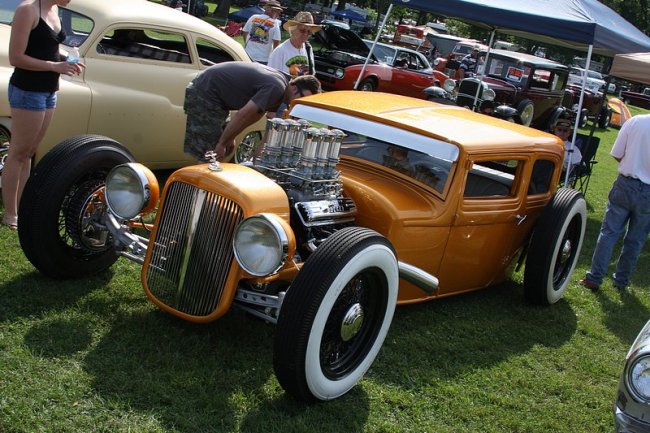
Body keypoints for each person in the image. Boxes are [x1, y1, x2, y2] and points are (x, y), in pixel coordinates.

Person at [1, 0, 83, 230]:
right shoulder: (27, 10)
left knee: (28, 153)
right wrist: (53, 66)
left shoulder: (54, 9)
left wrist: (65, 59)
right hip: (27, 90)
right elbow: (15, 58)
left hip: (48, 90)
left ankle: (22, 206)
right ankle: (10, 214)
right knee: (18, 152)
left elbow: (45, 46)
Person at [183, 61, 321, 162]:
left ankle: (209, 190)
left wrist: (230, 138)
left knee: (221, 149)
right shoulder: (277, 87)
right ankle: (199, 192)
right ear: (295, 88)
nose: (299, 104)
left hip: (216, 99)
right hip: (205, 92)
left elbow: (255, 116)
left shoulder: (281, 89)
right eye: (302, 99)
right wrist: (222, 142)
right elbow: (244, 114)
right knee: (212, 152)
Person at [579, 114, 650, 292]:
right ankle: (621, 281)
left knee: (609, 233)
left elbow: (617, 154)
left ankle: (594, 278)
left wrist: (632, 163)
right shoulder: (636, 121)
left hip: (626, 183)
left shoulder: (635, 121)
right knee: (636, 240)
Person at [268, 11, 321, 77]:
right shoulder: (280, 51)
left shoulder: (308, 49)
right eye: (302, 30)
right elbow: (271, 78)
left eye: (309, 32)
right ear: (292, 30)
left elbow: (311, 74)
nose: (306, 34)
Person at [241, 0, 283, 64]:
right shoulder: (275, 23)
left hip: (247, 55)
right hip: (263, 59)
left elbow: (244, 32)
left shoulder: (253, 17)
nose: (279, 14)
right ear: (272, 11)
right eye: (278, 11)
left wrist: (246, 43)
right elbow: (276, 42)